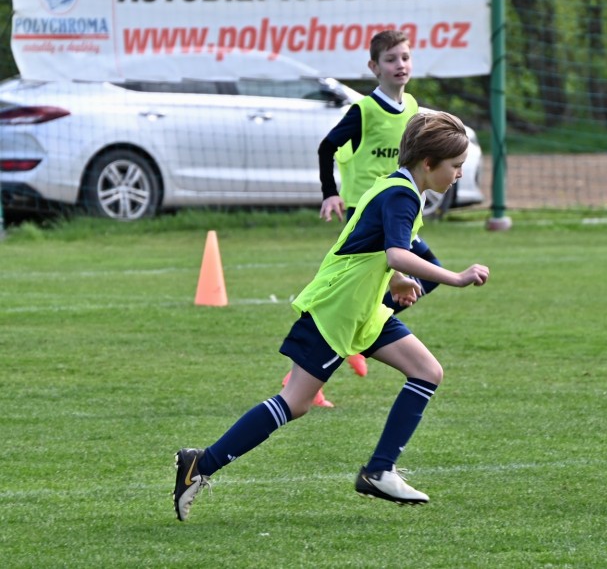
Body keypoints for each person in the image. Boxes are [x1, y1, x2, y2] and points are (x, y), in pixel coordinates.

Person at [173, 111, 490, 522]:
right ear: (429, 163)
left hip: (364, 309)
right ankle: (201, 464)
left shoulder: (401, 189)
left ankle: (379, 471)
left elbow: (372, 244)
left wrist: (396, 279)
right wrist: (456, 278)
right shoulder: (402, 195)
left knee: (427, 372)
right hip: (338, 308)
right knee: (295, 402)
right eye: (456, 166)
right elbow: (396, 252)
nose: (459, 174)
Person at [298, 30, 442, 406]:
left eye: (405, 57)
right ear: (374, 67)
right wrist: (330, 192)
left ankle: (362, 332)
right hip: (368, 215)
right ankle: (351, 341)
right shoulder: (364, 111)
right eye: (391, 59)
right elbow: (327, 147)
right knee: (422, 272)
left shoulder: (412, 107)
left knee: (425, 274)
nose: (400, 65)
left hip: (398, 214)